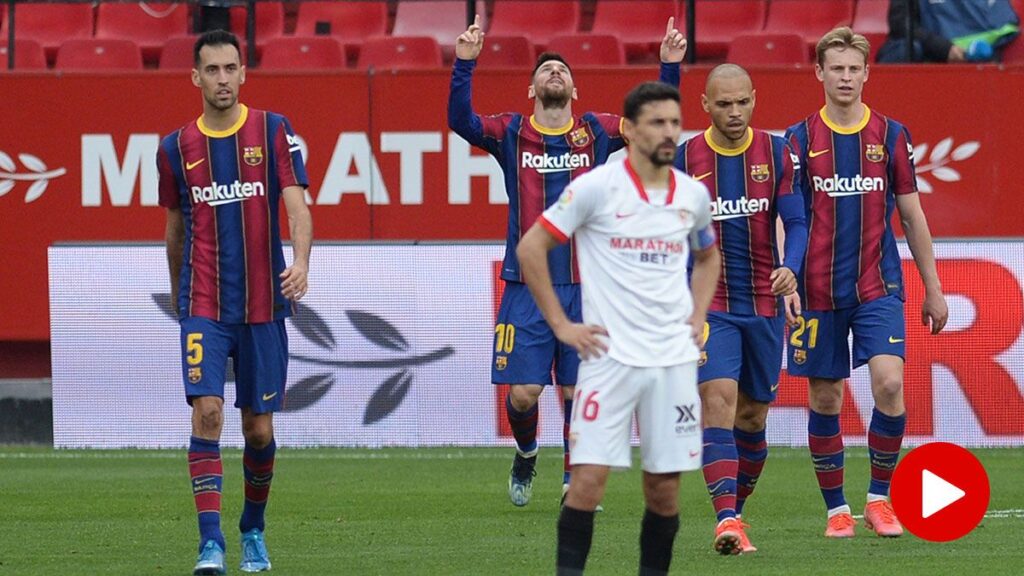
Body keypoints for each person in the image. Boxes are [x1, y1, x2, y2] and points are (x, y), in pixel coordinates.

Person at [448, 15, 688, 508]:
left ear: (575, 89)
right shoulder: (511, 132)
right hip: (526, 286)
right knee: (525, 395)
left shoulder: (596, 131)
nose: (553, 72)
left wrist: (669, 67)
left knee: (578, 393)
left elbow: (652, 123)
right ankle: (526, 448)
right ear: (531, 87)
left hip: (589, 286)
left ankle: (570, 479)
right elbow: (461, 122)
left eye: (561, 69)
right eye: (545, 69)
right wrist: (464, 65)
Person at [517, 81, 720, 576]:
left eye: (675, 121)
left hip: (671, 360)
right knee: (587, 481)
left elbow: (708, 255)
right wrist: (562, 325)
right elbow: (530, 249)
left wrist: (697, 315)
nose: (669, 132)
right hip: (608, 361)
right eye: (657, 122)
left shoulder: (691, 195)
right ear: (628, 129)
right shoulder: (595, 188)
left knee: (665, 488)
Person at [157, 30, 313, 575]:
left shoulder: (273, 131)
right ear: (195, 77)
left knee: (259, 430)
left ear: (243, 73)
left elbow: (297, 205)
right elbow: (175, 227)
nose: (223, 79)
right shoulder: (175, 148)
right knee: (207, 413)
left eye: (231, 68)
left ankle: (252, 528)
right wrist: (182, 294)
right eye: (212, 70)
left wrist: (301, 262)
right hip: (204, 300)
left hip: (264, 304)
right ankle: (210, 544)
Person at [785, 27, 948, 539]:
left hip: (879, 286)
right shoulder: (798, 140)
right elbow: (784, 217)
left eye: (855, 68)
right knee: (827, 397)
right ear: (820, 73)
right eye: (837, 68)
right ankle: (837, 509)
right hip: (815, 291)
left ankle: (879, 499)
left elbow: (913, 216)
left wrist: (934, 286)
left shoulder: (891, 135)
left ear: (867, 73)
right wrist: (785, 278)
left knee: (891, 384)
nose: (846, 77)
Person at [675, 63, 807, 555]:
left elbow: (795, 219)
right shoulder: (686, 158)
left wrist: (791, 267)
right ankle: (726, 518)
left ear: (754, 99)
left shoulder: (777, 153)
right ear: (705, 105)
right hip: (711, 305)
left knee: (752, 417)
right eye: (722, 104)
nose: (734, 112)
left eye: (741, 102)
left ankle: (737, 506)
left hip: (764, 303)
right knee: (718, 402)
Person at [876, 0, 1019, 63]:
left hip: (971, 58)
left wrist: (965, 52)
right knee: (904, 50)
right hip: (926, 53)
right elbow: (901, 24)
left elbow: (1004, 28)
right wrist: (945, 49)